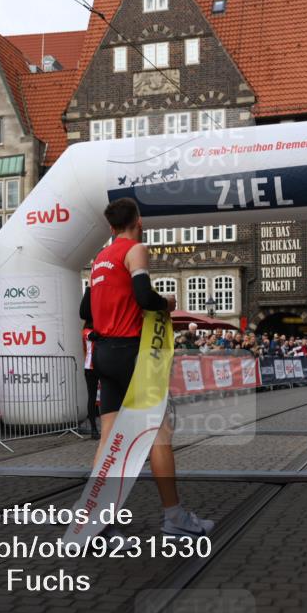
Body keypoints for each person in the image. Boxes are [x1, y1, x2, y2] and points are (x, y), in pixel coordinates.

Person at [80, 197, 213, 539]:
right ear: (138, 222)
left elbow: (86, 309)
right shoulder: (135, 249)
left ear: (110, 227)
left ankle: (98, 523)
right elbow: (143, 295)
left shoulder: (99, 260)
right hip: (130, 352)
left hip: (104, 353)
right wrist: (165, 303)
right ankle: (174, 518)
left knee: (109, 438)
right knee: (159, 434)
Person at [81, 320, 101, 439]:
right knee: (92, 398)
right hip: (90, 368)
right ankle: (94, 429)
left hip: (102, 366)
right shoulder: (86, 331)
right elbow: (93, 336)